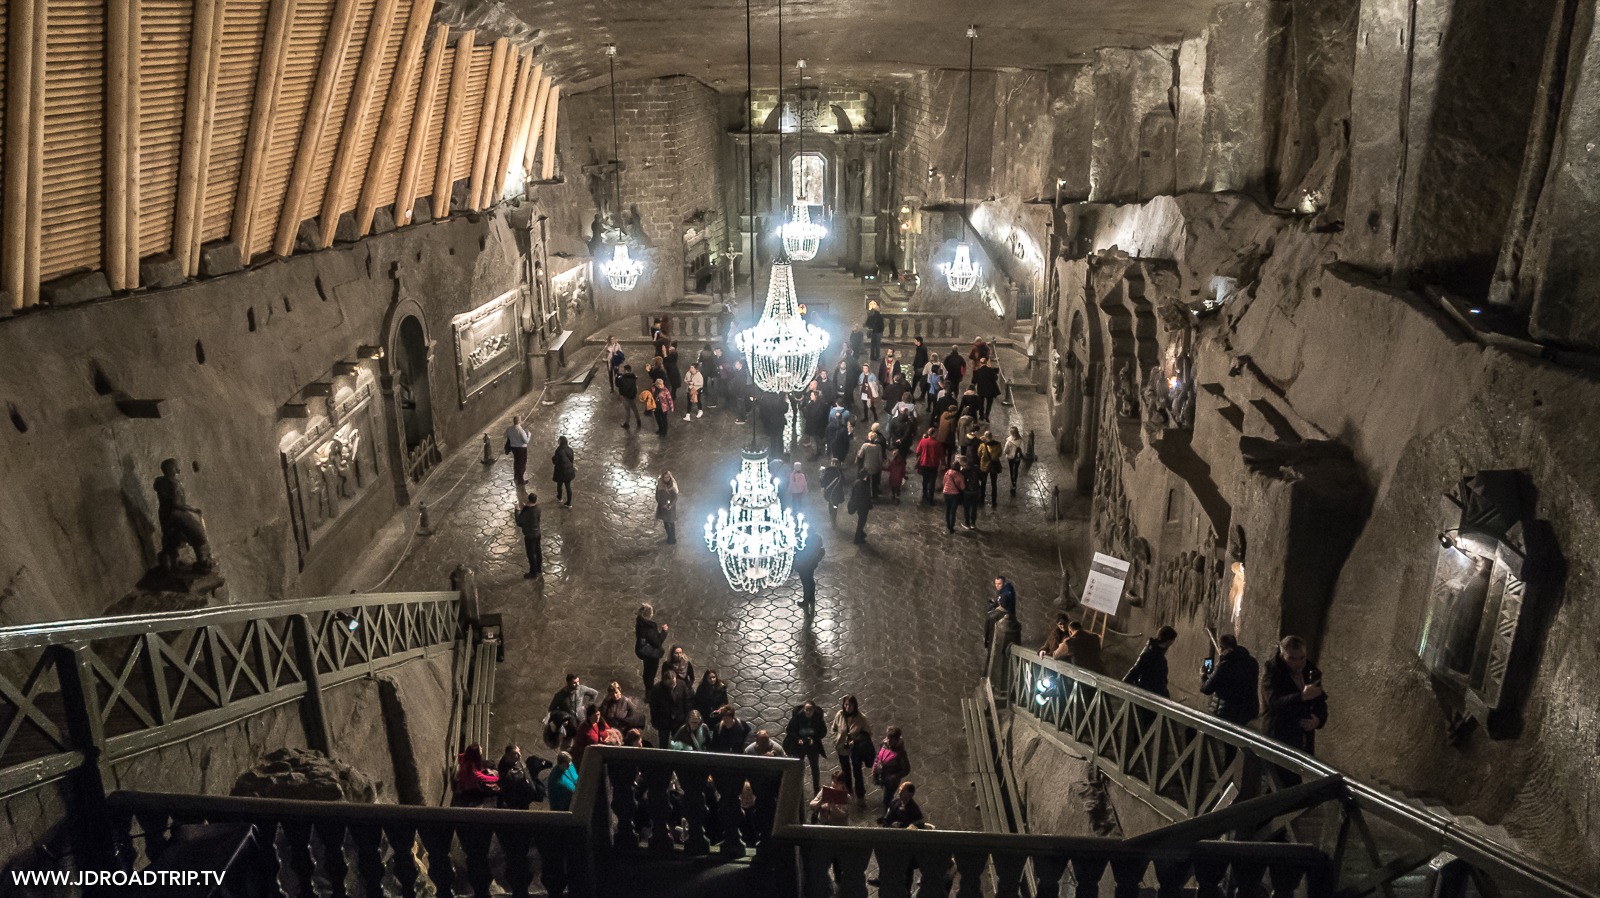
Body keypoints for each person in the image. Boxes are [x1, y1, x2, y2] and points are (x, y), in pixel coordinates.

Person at [1261, 635, 1327, 753]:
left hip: (1304, 740)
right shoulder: (1272, 674)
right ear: (1282, 656)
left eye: (1302, 658)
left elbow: (1320, 701)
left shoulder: (1309, 671)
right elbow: (1274, 702)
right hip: (1279, 739)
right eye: (1292, 659)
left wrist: (1318, 719)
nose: (1298, 663)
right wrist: (1301, 696)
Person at [1201, 634, 1261, 726]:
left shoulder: (1224, 664)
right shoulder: (1252, 662)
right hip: (1248, 711)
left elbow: (1206, 689)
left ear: (1221, 647)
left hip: (1226, 712)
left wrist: (1203, 676)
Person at [832, 695, 873, 803]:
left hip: (856, 749)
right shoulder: (839, 715)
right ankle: (848, 789)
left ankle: (860, 793)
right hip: (842, 748)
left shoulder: (861, 718)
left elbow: (868, 733)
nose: (848, 707)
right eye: (845, 704)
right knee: (845, 770)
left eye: (850, 705)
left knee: (857, 771)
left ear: (855, 705)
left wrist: (855, 740)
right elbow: (834, 728)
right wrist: (837, 740)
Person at [784, 701, 829, 792]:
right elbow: (790, 730)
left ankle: (816, 789)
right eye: (806, 710)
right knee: (799, 765)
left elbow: (823, 731)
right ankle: (797, 787)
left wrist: (814, 738)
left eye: (810, 710)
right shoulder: (798, 717)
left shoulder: (818, 717)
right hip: (800, 746)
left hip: (812, 745)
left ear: (814, 710)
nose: (808, 712)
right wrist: (798, 739)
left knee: (814, 767)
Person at [1124, 626, 1178, 698]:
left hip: (1149, 696)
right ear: (1169, 641)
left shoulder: (1154, 654)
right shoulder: (1152, 656)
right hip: (1147, 697)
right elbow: (1135, 672)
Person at [547, 674, 599, 749]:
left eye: (578, 681)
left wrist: (586, 706)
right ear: (568, 683)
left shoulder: (581, 689)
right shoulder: (560, 695)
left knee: (582, 740)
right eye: (574, 682)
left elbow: (595, 693)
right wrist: (562, 719)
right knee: (567, 744)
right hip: (569, 723)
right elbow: (552, 709)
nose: (577, 684)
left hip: (581, 719)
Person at [648, 668, 692, 748]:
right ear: (664, 681)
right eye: (669, 684)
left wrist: (687, 717)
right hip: (664, 721)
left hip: (679, 720)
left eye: (673, 682)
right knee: (663, 742)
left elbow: (686, 702)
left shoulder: (682, 685)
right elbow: (653, 708)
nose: (672, 685)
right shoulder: (656, 690)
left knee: (678, 741)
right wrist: (655, 721)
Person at [872, 727, 911, 809]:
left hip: (891, 782)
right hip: (882, 776)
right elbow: (878, 757)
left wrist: (893, 777)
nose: (888, 741)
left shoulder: (901, 753)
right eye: (888, 738)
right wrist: (875, 769)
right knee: (885, 793)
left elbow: (906, 769)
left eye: (891, 739)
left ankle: (888, 813)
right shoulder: (884, 743)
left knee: (887, 799)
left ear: (896, 740)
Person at [496, 744, 544, 810]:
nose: (519, 756)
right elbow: (508, 790)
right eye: (516, 754)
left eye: (519, 752)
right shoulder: (505, 771)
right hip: (517, 802)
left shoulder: (516, 761)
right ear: (509, 756)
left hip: (525, 797)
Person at [635, 602, 668, 691]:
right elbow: (657, 642)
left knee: (646, 670)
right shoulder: (649, 627)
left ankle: (648, 688)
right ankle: (649, 692)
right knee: (651, 672)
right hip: (651, 654)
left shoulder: (639, 623)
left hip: (644, 651)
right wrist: (664, 632)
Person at [793, 534, 824, 614]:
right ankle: (811, 598)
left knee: (806, 582)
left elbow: (801, 551)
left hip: (805, 565)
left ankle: (806, 601)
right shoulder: (816, 538)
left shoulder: (807, 541)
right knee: (810, 580)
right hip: (811, 565)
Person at [515, 494, 543, 579]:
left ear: (528, 499)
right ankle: (539, 569)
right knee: (538, 551)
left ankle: (533, 573)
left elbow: (519, 522)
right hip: (537, 533)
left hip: (529, 535)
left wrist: (517, 511)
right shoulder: (538, 508)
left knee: (531, 554)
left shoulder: (527, 511)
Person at [987, 577, 1018, 649]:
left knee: (989, 618)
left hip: (1007, 617)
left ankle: (988, 640)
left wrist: (998, 603)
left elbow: (1004, 604)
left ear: (1004, 583)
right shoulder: (1003, 591)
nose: (997, 586)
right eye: (996, 583)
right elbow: (999, 601)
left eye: (999, 584)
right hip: (1003, 615)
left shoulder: (1007, 592)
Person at [977, 430, 1003, 508]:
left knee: (983, 482)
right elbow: (1000, 454)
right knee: (994, 483)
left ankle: (982, 498)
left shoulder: (982, 445)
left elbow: (979, 453)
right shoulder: (998, 444)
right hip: (994, 465)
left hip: (984, 466)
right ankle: (994, 500)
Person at [848, 468, 873, 544]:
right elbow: (867, 497)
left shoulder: (856, 482)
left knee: (861, 521)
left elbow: (853, 493)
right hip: (863, 506)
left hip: (857, 505)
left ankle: (860, 534)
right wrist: (869, 505)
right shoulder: (865, 485)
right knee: (861, 522)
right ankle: (857, 538)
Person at [856, 432, 884, 497]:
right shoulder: (879, 447)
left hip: (866, 467)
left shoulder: (865, 446)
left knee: (866, 481)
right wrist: (880, 466)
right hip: (875, 468)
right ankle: (874, 493)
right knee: (874, 482)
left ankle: (865, 493)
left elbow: (860, 455)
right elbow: (880, 459)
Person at [504, 415, 531, 485]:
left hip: (514, 449)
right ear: (520, 421)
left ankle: (516, 477)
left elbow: (505, 436)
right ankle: (521, 480)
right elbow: (526, 441)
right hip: (522, 449)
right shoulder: (521, 431)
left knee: (516, 462)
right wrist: (529, 435)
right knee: (522, 464)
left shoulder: (509, 429)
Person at [972, 357, 1001, 421]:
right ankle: (987, 415)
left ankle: (981, 416)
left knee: (981, 403)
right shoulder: (991, 370)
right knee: (989, 404)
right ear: (986, 363)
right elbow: (995, 378)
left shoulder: (978, 371)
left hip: (981, 390)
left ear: (980, 363)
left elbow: (974, 381)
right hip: (990, 390)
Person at [654, 471, 679, 544]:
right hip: (663, 507)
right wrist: (663, 504)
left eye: (668, 477)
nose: (666, 479)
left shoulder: (673, 486)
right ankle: (669, 536)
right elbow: (657, 496)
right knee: (665, 522)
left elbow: (675, 497)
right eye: (665, 477)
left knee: (671, 523)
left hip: (671, 508)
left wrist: (670, 505)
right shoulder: (660, 486)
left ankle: (672, 538)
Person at [941, 461, 966, 534]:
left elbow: (943, 482)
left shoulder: (947, 472)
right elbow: (963, 487)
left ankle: (948, 525)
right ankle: (951, 527)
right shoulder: (960, 475)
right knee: (953, 511)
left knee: (948, 510)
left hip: (946, 493)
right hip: (955, 495)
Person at [960, 458, 984, 530]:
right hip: (976, 491)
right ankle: (973, 523)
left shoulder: (964, 471)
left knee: (966, 508)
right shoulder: (977, 470)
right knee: (974, 508)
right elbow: (983, 478)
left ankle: (967, 524)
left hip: (966, 492)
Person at [551, 436, 575, 507]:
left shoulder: (559, 450)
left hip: (561, 472)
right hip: (569, 471)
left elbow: (555, 461)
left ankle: (559, 497)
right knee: (568, 486)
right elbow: (571, 460)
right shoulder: (570, 449)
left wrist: (553, 458)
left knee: (559, 484)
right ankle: (569, 502)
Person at [617, 364, 642, 429]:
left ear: (625, 370)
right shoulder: (633, 377)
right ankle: (638, 421)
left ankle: (627, 424)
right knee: (634, 408)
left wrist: (617, 376)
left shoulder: (622, 378)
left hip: (625, 396)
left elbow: (618, 385)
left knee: (627, 410)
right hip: (632, 395)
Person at [1002, 426, 1024, 496]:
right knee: (1016, 470)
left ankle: (1013, 483)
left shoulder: (1009, 441)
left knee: (1011, 470)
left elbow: (1005, 451)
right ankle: (1015, 482)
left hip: (1010, 458)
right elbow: (1023, 450)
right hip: (1017, 458)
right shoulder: (1021, 440)